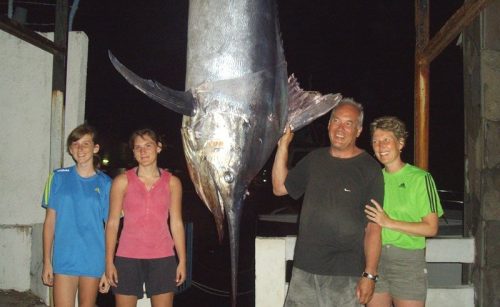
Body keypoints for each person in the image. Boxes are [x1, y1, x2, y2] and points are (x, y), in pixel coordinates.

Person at [272, 98, 384, 306]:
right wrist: (283, 146)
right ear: (328, 125)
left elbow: (373, 228)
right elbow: (280, 188)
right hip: (304, 269)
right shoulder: (315, 159)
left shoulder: (370, 169)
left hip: (345, 274)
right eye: (336, 121)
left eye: (348, 123)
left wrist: (369, 275)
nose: (340, 128)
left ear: (358, 130)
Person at [365, 116, 443, 307]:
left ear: (400, 143)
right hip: (376, 260)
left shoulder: (421, 178)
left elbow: (431, 228)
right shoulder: (372, 179)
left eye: (386, 140)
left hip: (408, 262)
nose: (380, 146)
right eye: (375, 141)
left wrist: (389, 222)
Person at [105, 128, 186, 307]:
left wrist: (182, 260)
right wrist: (109, 262)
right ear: (133, 152)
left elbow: (177, 223)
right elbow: (112, 224)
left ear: (158, 147)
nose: (143, 151)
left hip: (163, 257)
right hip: (127, 256)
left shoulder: (172, 182)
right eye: (138, 147)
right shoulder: (122, 181)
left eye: (148, 145)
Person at [41, 123, 111, 307]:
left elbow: (110, 229)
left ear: (95, 148)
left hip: (93, 259)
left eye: (85, 144)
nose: (80, 149)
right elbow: (49, 222)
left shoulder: (106, 184)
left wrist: (107, 267)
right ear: (70, 150)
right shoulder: (57, 178)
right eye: (75, 144)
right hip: (64, 258)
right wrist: (47, 261)